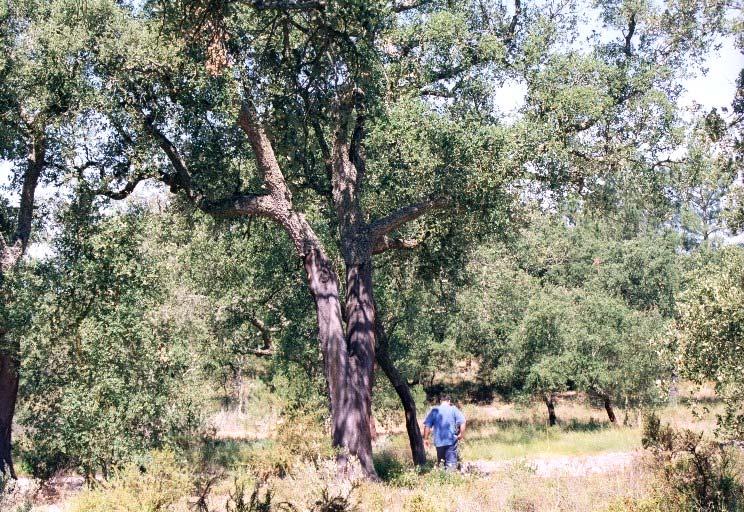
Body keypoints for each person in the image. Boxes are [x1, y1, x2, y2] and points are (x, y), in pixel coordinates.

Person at [422, 394, 466, 470]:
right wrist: (461, 434)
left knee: (441, 463)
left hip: (439, 442)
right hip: (451, 441)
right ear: (449, 401)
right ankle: (450, 479)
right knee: (451, 464)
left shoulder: (434, 411)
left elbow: (427, 426)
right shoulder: (453, 409)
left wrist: (425, 438)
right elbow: (463, 422)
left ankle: (442, 479)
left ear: (440, 401)